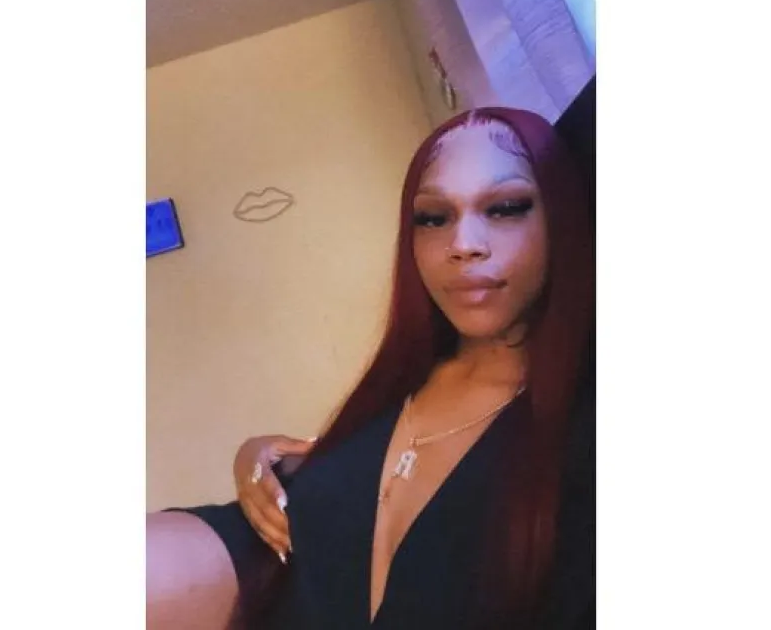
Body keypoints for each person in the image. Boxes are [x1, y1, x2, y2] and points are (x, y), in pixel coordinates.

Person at [147, 105, 594, 630]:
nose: (463, 245)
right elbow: (360, 485)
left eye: (505, 208)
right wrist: (258, 461)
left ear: (561, 218)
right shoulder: (406, 378)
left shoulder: (580, 419)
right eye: (434, 218)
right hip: (265, 578)